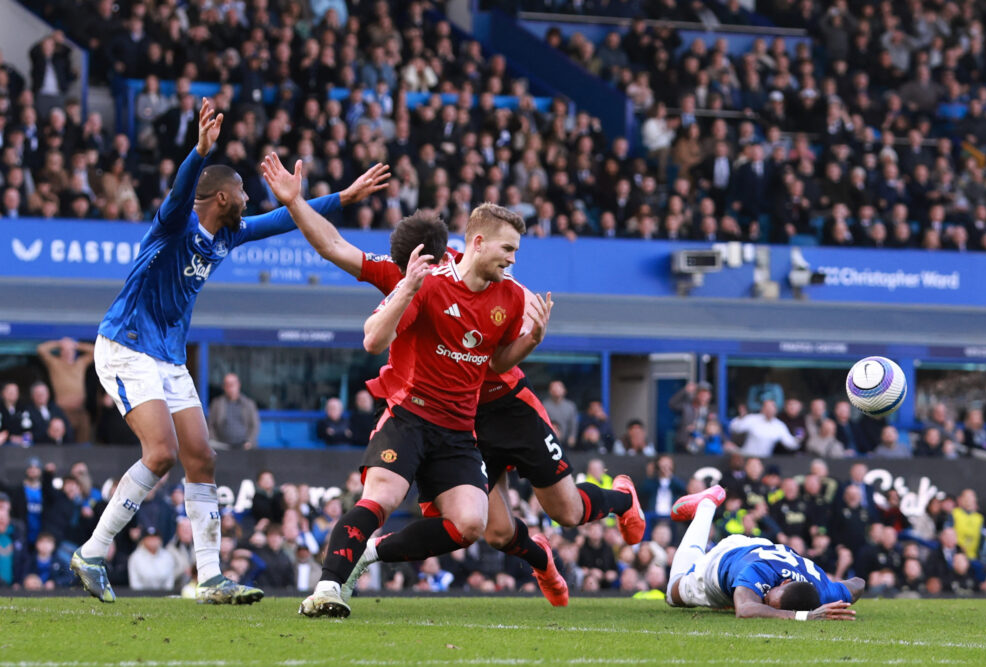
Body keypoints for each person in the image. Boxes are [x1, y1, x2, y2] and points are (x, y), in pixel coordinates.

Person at [261, 156, 644, 610]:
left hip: (502, 408)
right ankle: (338, 579)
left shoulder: (512, 295)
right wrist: (294, 203)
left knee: (566, 512)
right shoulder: (421, 276)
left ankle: (619, 499)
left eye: (516, 252)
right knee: (485, 528)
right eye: (508, 250)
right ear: (478, 242)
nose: (514, 260)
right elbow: (334, 247)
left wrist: (533, 340)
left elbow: (497, 362)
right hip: (430, 416)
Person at [69, 97, 387, 605]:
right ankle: (92, 552)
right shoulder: (175, 224)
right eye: (241, 191)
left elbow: (282, 221)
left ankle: (211, 577)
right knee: (161, 454)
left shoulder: (228, 234)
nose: (248, 199)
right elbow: (179, 194)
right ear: (219, 197)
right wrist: (198, 152)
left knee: (201, 458)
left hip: (168, 355)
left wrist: (343, 197)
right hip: (126, 345)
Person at [666, 485, 864, 620]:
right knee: (672, 594)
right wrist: (805, 617)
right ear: (785, 582)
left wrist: (842, 599)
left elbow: (857, 584)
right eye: (769, 600)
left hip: (761, 547)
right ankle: (706, 504)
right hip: (725, 560)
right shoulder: (758, 572)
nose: (763, 598)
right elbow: (744, 610)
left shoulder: (825, 591)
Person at [36, 338, 94, 443]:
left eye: (70, 351)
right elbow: (41, 349)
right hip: (63, 411)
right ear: (61, 352)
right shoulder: (55, 364)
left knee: (84, 440)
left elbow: (95, 351)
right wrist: (59, 343)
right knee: (66, 440)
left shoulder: (80, 363)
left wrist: (75, 345)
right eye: (65, 351)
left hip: (80, 411)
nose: (68, 353)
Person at [207, 373, 260, 450]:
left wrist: (249, 441)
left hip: (243, 445)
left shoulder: (248, 404)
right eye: (227, 385)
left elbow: (254, 426)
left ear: (238, 385)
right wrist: (213, 439)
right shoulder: (217, 404)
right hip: (221, 445)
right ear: (224, 387)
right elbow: (210, 425)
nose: (230, 388)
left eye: (232, 384)